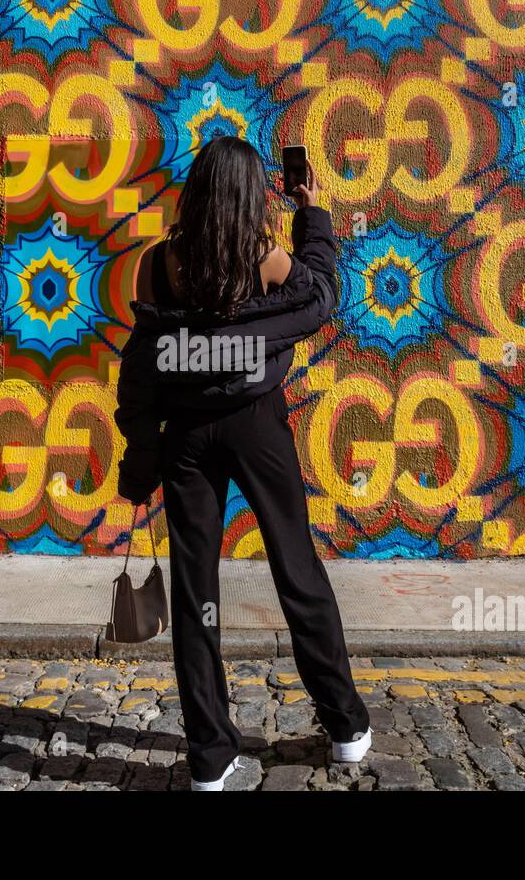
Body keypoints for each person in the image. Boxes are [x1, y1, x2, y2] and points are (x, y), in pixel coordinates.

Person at [113, 135, 371, 791]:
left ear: (197, 189)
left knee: (196, 595)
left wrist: (140, 461)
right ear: (255, 194)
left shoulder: (159, 262)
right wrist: (312, 214)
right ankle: (344, 728)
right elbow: (320, 299)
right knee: (296, 567)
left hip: (187, 440)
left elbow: (141, 371)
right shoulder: (266, 256)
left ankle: (210, 757)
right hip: (258, 428)